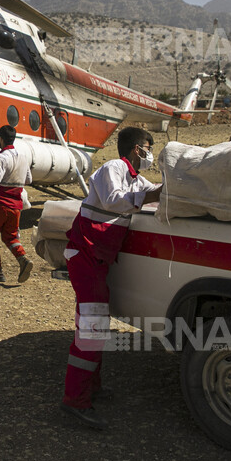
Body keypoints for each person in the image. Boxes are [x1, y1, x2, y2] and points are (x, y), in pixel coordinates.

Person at [60, 126, 162, 430]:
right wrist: (154, 193)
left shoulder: (135, 176)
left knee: (97, 325)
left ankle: (92, 387)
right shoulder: (114, 168)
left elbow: (149, 193)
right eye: (147, 147)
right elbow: (114, 199)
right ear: (135, 149)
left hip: (97, 260)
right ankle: (74, 401)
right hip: (86, 256)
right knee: (92, 327)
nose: (149, 153)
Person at [0, 125, 33, 284]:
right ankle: (23, 259)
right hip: (16, 207)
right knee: (10, 237)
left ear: (1, 139)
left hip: (0, 205)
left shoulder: (1, 158)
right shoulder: (23, 157)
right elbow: (28, 180)